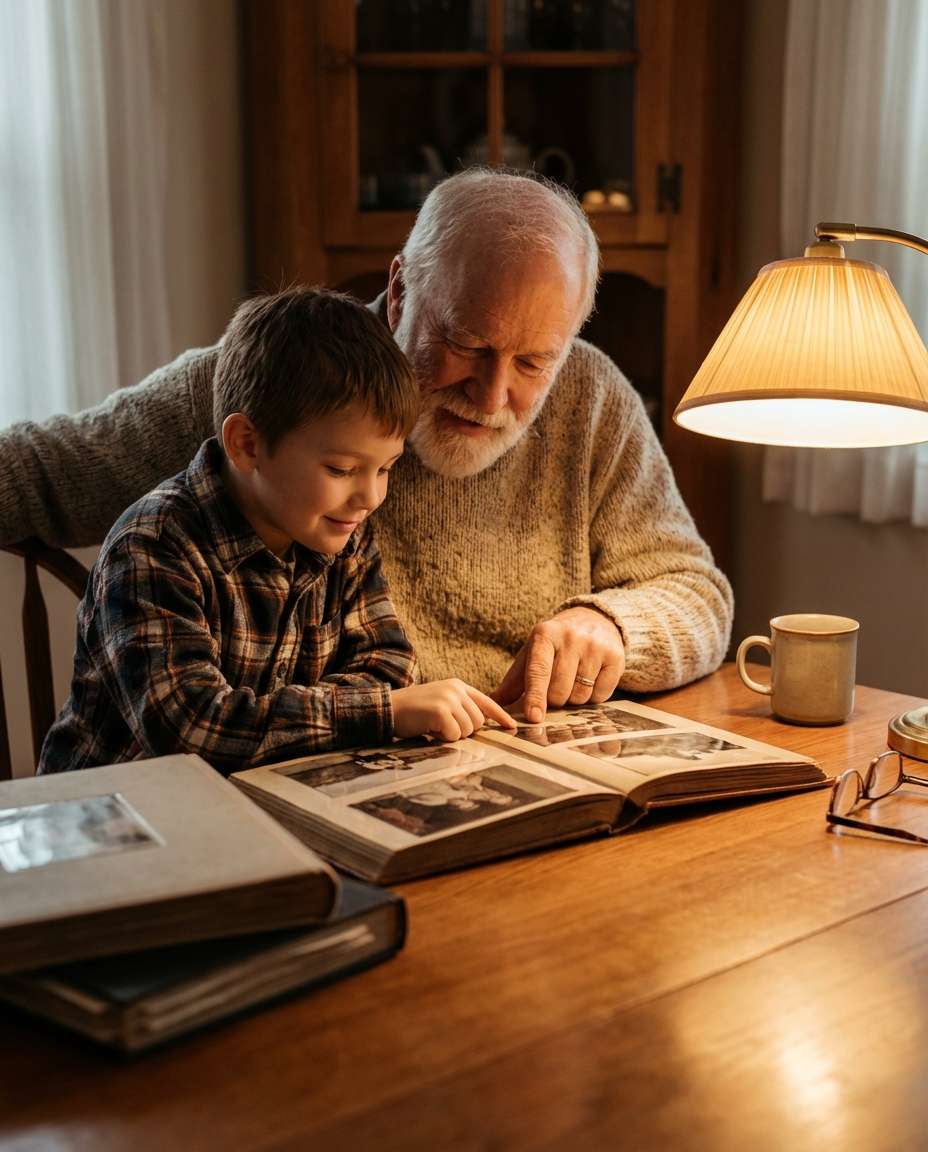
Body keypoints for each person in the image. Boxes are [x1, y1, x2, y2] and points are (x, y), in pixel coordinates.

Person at [1, 170, 733, 723]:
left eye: (534, 362)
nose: (491, 395)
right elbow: (34, 474)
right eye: (467, 344)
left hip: (517, 770)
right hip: (304, 782)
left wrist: (612, 625)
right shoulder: (277, 382)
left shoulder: (592, 397)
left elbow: (697, 591)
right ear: (400, 290)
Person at [38, 288, 514, 776]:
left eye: (385, 468)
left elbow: (388, 665)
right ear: (247, 445)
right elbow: (192, 729)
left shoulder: (342, 533)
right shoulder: (153, 546)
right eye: (341, 469)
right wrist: (376, 713)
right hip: (123, 808)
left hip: (257, 793)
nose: (370, 497)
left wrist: (314, 714)